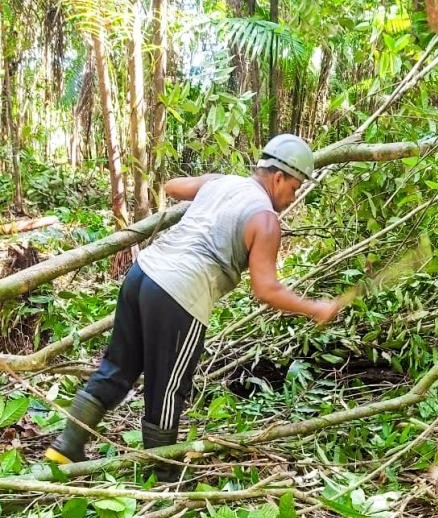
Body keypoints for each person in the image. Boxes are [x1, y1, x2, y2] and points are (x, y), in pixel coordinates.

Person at [45, 134, 341, 476]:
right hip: (178, 293)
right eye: (294, 188)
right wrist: (314, 308)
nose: (292, 198)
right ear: (278, 177)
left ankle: (66, 448)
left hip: (142, 274)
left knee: (118, 368)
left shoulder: (223, 183)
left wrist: (210, 201)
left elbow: (173, 186)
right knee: (168, 388)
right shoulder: (265, 220)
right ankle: (164, 477)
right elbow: (266, 289)